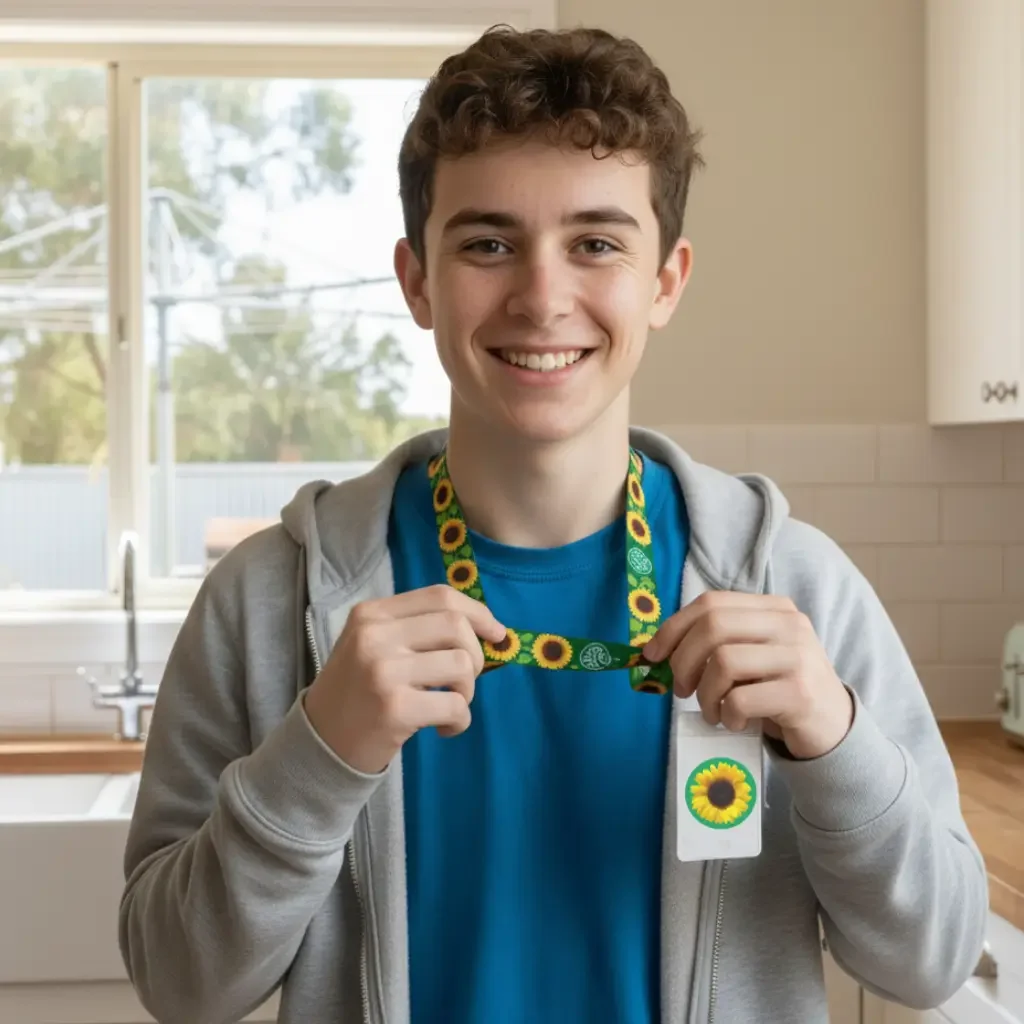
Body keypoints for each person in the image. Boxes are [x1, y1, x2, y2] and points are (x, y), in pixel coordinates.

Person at [118, 23, 988, 1024]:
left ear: (665, 280)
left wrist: (836, 741)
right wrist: (321, 749)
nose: (541, 297)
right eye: (487, 243)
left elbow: (929, 961)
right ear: (416, 280)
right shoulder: (268, 602)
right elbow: (179, 986)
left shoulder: (792, 585)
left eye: (596, 243)